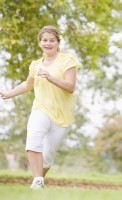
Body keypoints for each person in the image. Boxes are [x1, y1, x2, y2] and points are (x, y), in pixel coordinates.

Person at [0, 25, 79, 189]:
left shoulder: (67, 60)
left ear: (58, 42)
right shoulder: (35, 65)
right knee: (33, 139)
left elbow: (71, 86)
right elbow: (27, 86)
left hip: (62, 114)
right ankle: (38, 180)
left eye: (51, 40)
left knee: (48, 155)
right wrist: (9, 93)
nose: (48, 43)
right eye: (44, 40)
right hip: (41, 108)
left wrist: (51, 78)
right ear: (40, 42)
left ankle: (37, 182)